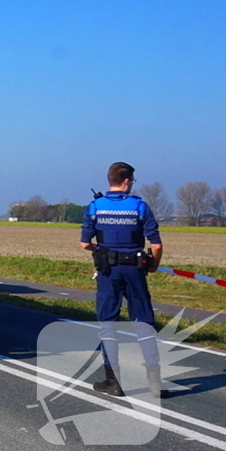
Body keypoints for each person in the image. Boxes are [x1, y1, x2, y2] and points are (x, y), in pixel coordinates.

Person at [80, 162, 166, 398]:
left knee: (108, 323)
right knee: (145, 323)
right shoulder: (140, 207)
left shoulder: (94, 207)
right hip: (135, 270)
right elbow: (156, 245)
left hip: (108, 271)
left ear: (111, 180)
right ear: (127, 181)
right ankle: (155, 383)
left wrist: (102, 251)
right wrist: (153, 266)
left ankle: (113, 382)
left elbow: (85, 243)